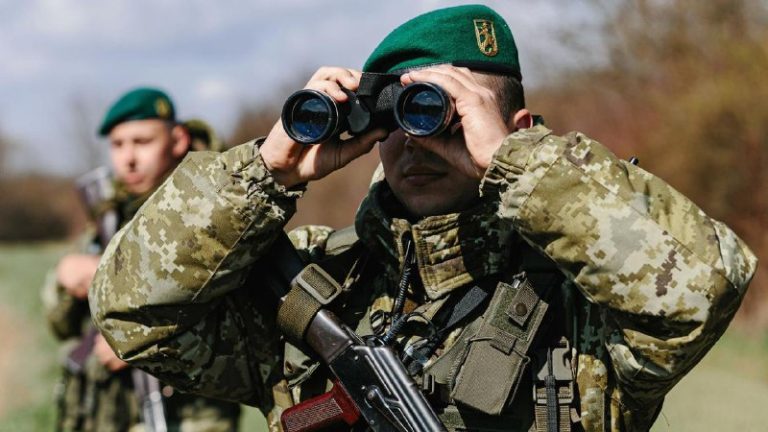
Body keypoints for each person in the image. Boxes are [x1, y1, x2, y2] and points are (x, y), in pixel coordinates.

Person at [89, 6, 757, 432]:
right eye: (398, 118)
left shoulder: (585, 298)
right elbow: (129, 310)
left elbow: (702, 288)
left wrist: (513, 161)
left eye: (442, 113)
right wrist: (266, 173)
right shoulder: (314, 281)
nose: (417, 141)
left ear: (516, 128)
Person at [43, 87, 240, 431]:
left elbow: (240, 318)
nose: (129, 158)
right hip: (104, 412)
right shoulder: (108, 215)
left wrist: (137, 339)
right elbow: (60, 325)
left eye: (142, 142)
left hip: (188, 415)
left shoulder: (212, 207)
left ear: (177, 140)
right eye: (118, 145)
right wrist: (66, 279)